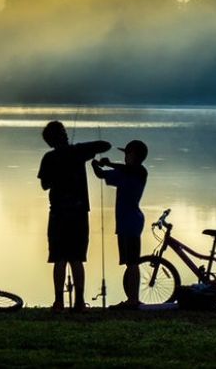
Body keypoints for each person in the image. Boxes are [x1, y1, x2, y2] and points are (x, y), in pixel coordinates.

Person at [38, 120, 111, 312]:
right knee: (77, 258)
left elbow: (45, 185)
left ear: (49, 141)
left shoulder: (48, 158)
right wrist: (81, 148)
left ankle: (59, 302)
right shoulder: (79, 152)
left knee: (59, 258)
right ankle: (79, 302)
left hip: (58, 214)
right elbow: (105, 145)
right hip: (79, 213)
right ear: (64, 135)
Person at [91, 139, 148, 310]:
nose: (125, 158)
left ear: (135, 156)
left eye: (127, 154)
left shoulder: (139, 172)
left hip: (131, 222)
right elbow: (101, 175)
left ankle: (133, 300)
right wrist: (96, 165)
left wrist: (109, 163)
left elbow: (129, 169)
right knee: (130, 262)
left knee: (132, 262)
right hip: (124, 222)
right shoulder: (125, 173)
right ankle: (132, 299)